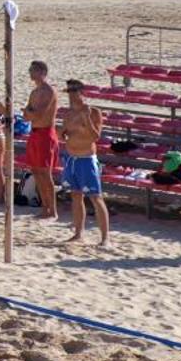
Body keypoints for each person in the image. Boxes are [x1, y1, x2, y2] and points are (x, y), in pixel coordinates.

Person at [61, 80, 110, 248]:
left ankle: (105, 238)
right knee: (76, 195)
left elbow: (95, 136)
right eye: (69, 91)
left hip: (86, 158)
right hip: (71, 158)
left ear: (82, 92)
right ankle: (78, 233)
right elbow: (62, 134)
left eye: (74, 91)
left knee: (96, 197)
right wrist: (63, 131)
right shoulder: (68, 114)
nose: (72, 94)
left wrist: (86, 119)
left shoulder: (93, 112)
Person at [21, 60, 60, 223]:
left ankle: (53, 210)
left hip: (45, 133)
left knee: (45, 173)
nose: (30, 72)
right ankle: (45, 207)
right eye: (30, 69)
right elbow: (26, 115)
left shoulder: (48, 91)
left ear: (42, 71)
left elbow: (38, 114)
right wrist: (29, 112)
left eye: (33, 70)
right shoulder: (34, 92)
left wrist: (29, 112)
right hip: (35, 132)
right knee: (36, 171)